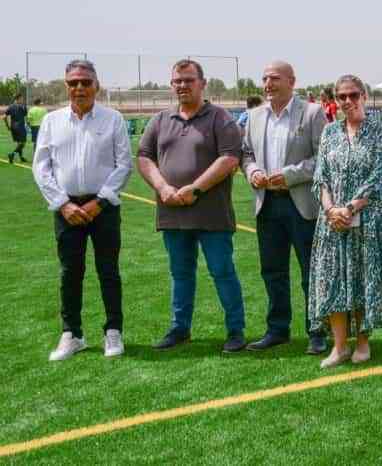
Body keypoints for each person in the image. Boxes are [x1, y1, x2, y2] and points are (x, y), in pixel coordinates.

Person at [137, 59, 247, 353]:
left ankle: (236, 330)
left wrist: (195, 188)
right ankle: (179, 328)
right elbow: (144, 157)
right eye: (177, 81)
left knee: (222, 272)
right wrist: (162, 187)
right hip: (172, 213)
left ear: (202, 83)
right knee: (180, 274)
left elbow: (230, 158)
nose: (182, 85)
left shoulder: (220, 118)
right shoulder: (160, 119)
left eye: (188, 80)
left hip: (212, 215)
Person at [32, 59, 132, 360]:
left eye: (85, 82)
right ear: (66, 86)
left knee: (108, 271)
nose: (79, 88)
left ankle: (113, 332)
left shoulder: (113, 119)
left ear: (96, 86)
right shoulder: (52, 121)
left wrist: (99, 201)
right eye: (73, 83)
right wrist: (63, 204)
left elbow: (124, 164)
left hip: (104, 209)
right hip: (66, 209)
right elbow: (42, 167)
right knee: (69, 272)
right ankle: (72, 334)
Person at [240, 61, 329, 355]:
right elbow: (247, 153)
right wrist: (251, 171)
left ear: (291, 81)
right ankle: (277, 329)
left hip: (302, 205)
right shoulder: (253, 116)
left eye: (274, 78)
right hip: (267, 205)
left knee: (311, 272)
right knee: (272, 271)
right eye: (264, 78)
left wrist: (290, 175)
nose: (267, 83)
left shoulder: (313, 113)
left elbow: (324, 159)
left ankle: (317, 331)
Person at [309, 75, 382, 368]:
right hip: (331, 221)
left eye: (353, 95)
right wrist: (331, 208)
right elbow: (321, 175)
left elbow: (379, 175)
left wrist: (350, 207)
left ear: (364, 96)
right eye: (342, 96)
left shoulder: (378, 132)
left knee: (361, 277)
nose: (348, 101)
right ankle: (339, 346)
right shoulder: (329, 132)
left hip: (366, 218)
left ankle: (362, 342)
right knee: (332, 278)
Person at [4, 93, 28, 163]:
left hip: (13, 127)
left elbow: (4, 117)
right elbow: (26, 117)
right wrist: (27, 125)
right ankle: (12, 154)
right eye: (22, 98)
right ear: (19, 98)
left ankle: (21, 157)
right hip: (20, 127)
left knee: (19, 143)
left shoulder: (10, 106)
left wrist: (7, 126)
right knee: (23, 143)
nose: (22, 100)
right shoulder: (23, 106)